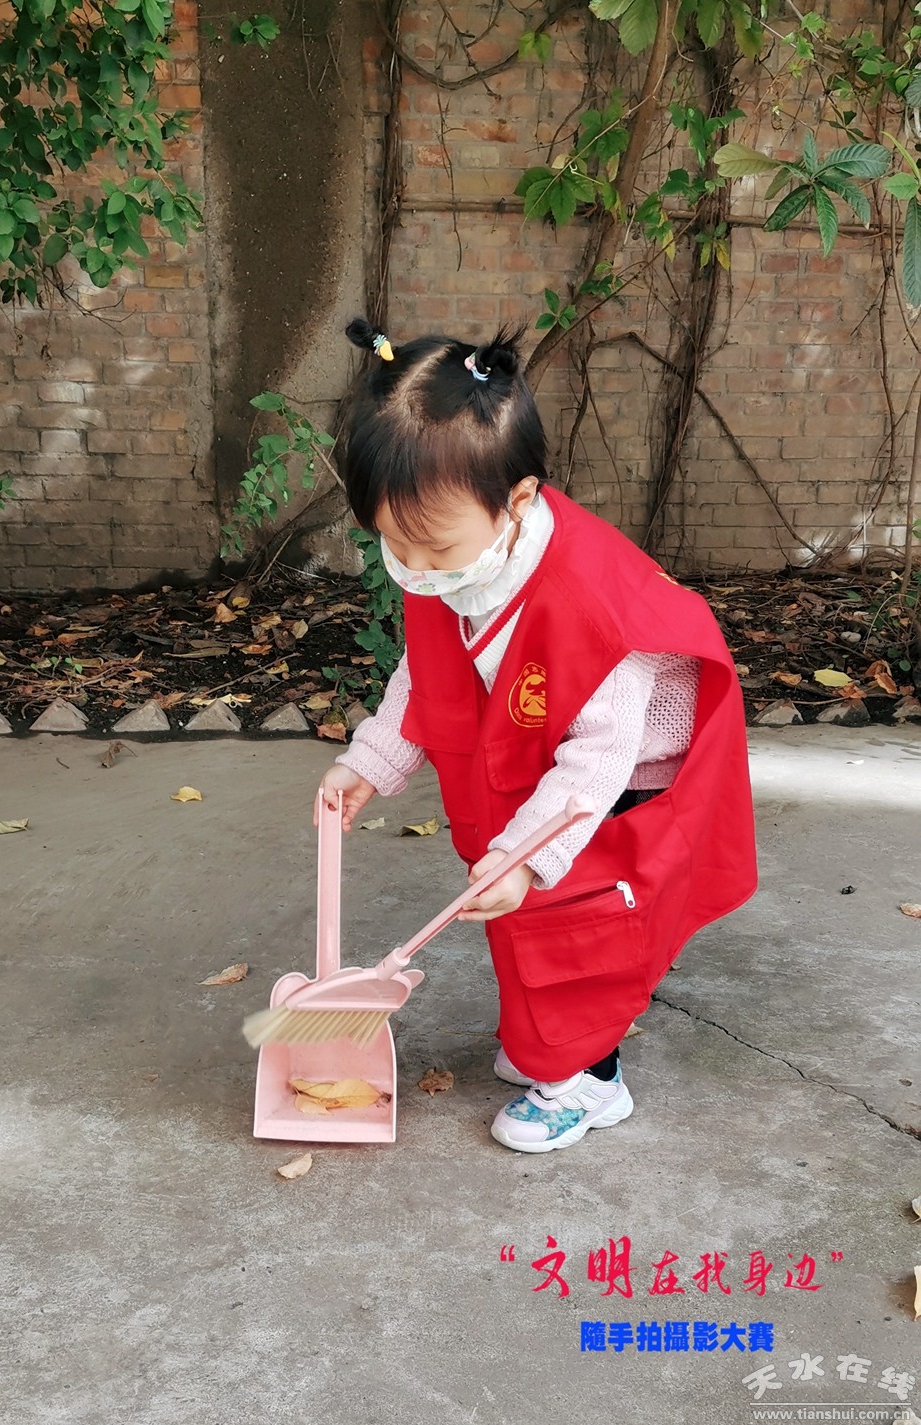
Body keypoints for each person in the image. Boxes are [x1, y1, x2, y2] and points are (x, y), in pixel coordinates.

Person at [315, 317, 757, 1154]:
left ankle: (589, 1079)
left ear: (516, 501)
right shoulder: (455, 556)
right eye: (392, 544)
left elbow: (597, 757)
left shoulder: (590, 603)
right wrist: (370, 760)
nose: (414, 568)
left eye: (431, 546)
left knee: (575, 926)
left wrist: (528, 854)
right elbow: (428, 668)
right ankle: (548, 1044)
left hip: (618, 779)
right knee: (510, 907)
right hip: (543, 753)